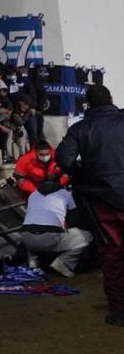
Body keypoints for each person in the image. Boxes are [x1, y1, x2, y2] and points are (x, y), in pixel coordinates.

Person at [56, 85, 124, 325]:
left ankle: (118, 309)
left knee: (112, 253)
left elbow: (63, 159)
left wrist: (81, 174)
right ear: (112, 99)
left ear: (88, 104)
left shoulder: (80, 128)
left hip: (100, 198)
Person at [20, 177, 92, 278]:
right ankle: (63, 263)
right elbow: (74, 220)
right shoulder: (65, 194)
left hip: (26, 238)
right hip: (50, 238)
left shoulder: (33, 194)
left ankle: (33, 264)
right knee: (86, 236)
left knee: (33, 231)